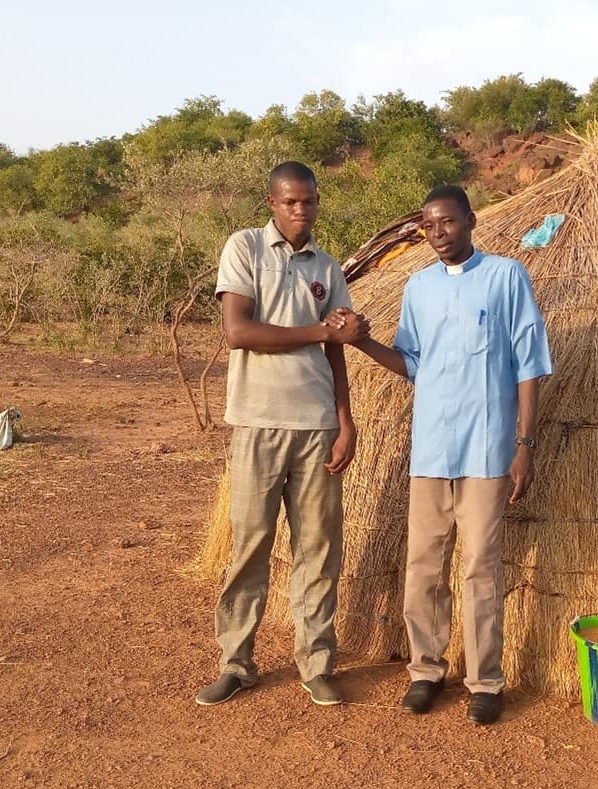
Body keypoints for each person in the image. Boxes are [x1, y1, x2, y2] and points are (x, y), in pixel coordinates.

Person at [347, 183, 553, 725]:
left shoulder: (507, 276)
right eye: (429, 226)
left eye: (448, 222)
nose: (438, 233)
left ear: (470, 220)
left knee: (480, 567)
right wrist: (361, 343)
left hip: (488, 447)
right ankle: (426, 671)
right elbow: (411, 362)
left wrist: (524, 445)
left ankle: (486, 681)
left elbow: (529, 364)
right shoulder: (418, 287)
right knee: (423, 565)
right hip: (432, 447)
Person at [196, 161, 368, 708]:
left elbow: (337, 351)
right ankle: (236, 663)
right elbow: (238, 331)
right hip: (257, 421)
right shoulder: (244, 248)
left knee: (318, 549)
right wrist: (320, 329)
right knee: (250, 545)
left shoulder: (328, 267)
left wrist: (345, 419)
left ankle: (315, 664)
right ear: (271, 204)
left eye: (310, 201)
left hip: (316, 425)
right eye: (291, 201)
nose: (301, 210)